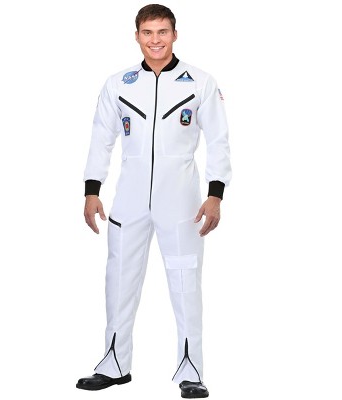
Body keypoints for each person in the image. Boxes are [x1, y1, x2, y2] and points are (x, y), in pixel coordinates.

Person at [76, 4, 231, 398]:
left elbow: (218, 141)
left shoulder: (200, 82)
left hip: (180, 202)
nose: (156, 40)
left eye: (163, 31)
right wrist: (92, 190)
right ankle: (114, 364)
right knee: (118, 280)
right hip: (128, 200)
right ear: (137, 36)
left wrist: (215, 195)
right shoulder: (118, 84)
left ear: (175, 34)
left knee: (185, 283)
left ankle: (191, 371)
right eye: (148, 32)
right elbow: (101, 138)